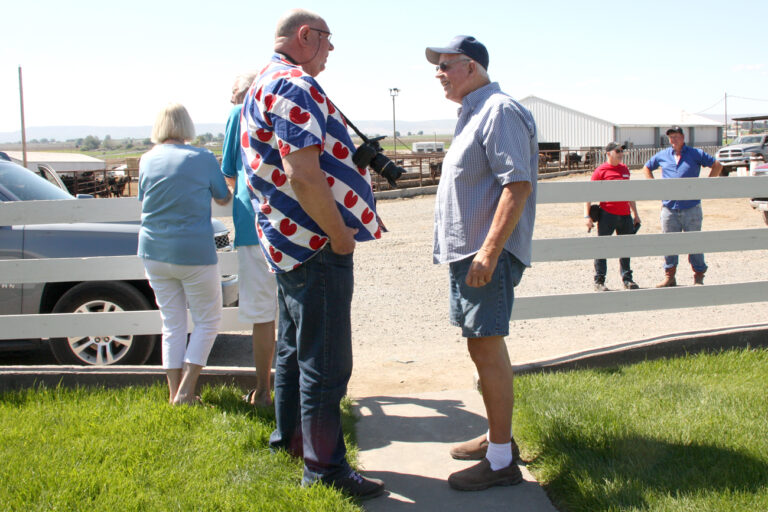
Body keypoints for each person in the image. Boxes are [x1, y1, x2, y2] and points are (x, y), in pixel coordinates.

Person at [240, 9, 385, 499]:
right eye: (327, 38)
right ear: (306, 36)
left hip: (284, 241)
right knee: (326, 361)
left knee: (293, 350)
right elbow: (302, 173)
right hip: (314, 243)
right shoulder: (296, 86)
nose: (331, 48)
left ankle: (291, 442)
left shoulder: (263, 82)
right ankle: (324, 469)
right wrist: (339, 234)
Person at [426, 35, 537, 491]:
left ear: (470, 67)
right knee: (479, 345)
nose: (438, 74)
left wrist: (489, 253)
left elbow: (518, 185)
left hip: (483, 255)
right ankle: (497, 441)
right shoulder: (474, 112)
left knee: (486, 347)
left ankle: (500, 462)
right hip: (470, 253)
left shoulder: (498, 111)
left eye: (445, 65)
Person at [138, 103, 232, 405]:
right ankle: (186, 391)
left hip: (153, 250)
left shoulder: (147, 159)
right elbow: (222, 197)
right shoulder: (202, 157)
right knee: (208, 320)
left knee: (172, 323)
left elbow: (144, 197)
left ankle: (174, 393)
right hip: (193, 251)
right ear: (187, 127)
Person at [221, 73, 278, 407]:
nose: (231, 98)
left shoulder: (238, 113)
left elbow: (229, 170)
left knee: (261, 312)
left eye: (232, 92)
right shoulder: (281, 109)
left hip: (252, 220)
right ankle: (297, 388)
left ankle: (263, 390)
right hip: (289, 221)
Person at [642, 126, 723, 286]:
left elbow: (717, 165)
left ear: (683, 137)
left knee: (694, 242)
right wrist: (653, 186)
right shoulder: (663, 155)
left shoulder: (695, 153)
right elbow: (646, 167)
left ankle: (698, 275)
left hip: (691, 206)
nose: (674, 140)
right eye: (671, 137)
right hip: (669, 207)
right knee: (669, 242)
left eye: (677, 136)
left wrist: (706, 184)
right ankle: (669, 276)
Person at [585, 142, 640, 291]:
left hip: (624, 215)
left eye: (622, 151)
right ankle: (599, 281)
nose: (621, 154)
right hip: (607, 215)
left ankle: (627, 279)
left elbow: (629, 193)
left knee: (625, 248)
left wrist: (635, 213)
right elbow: (588, 194)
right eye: (618, 151)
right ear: (608, 153)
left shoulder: (624, 169)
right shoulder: (601, 171)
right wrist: (587, 217)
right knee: (603, 248)